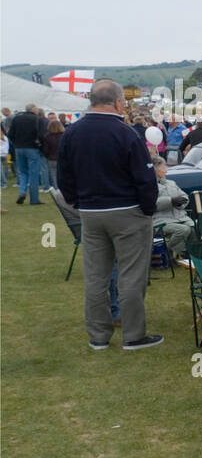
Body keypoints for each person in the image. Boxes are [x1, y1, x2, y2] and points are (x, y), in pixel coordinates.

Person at [56, 79, 162, 350]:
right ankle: (134, 335)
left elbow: (63, 176)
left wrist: (77, 203)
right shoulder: (126, 134)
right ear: (117, 103)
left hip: (91, 212)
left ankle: (98, 336)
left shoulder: (72, 132)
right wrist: (147, 209)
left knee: (95, 276)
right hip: (127, 211)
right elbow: (145, 178)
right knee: (131, 275)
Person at [150, 155, 194, 260]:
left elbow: (184, 196)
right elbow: (151, 204)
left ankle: (192, 256)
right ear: (156, 170)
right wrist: (171, 201)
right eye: (163, 168)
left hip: (180, 217)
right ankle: (166, 253)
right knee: (183, 230)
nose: (166, 170)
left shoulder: (171, 183)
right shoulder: (150, 185)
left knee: (194, 228)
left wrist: (181, 202)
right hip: (161, 220)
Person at [9, 103, 45, 204]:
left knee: (22, 172)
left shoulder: (16, 119)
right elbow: (42, 135)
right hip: (33, 148)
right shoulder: (38, 119)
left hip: (19, 148)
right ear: (34, 110)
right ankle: (34, 199)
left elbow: (10, 134)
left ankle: (22, 192)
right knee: (33, 174)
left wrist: (16, 144)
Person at [41, 114, 65, 189]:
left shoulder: (47, 136)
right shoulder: (65, 135)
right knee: (64, 174)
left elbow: (45, 150)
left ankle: (57, 189)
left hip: (52, 158)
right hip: (63, 158)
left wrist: (47, 156)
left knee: (54, 175)